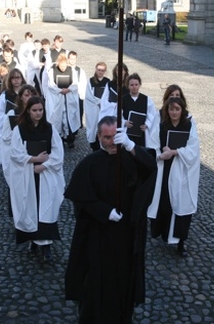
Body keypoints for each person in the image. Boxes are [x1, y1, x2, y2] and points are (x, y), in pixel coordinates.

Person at [65, 116, 157, 324]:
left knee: (124, 280)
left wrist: (131, 146)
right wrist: (104, 211)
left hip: (126, 233)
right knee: (98, 282)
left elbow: (151, 167)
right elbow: (80, 197)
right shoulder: (90, 163)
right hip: (99, 235)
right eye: (106, 137)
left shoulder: (131, 157)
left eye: (115, 137)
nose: (110, 141)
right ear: (98, 137)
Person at [10, 96, 65, 263]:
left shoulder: (49, 129)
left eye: (41, 110)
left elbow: (58, 153)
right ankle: (33, 240)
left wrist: (44, 166)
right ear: (28, 111)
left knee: (46, 208)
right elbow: (15, 153)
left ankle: (46, 245)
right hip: (27, 174)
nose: (38, 113)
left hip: (45, 175)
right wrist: (34, 160)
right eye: (34, 110)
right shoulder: (19, 130)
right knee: (30, 208)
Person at [147, 96, 200, 257]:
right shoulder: (162, 125)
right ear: (167, 110)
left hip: (182, 171)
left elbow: (193, 148)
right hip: (165, 169)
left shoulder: (189, 125)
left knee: (182, 206)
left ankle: (180, 242)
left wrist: (175, 152)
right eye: (171, 109)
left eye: (177, 109)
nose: (174, 112)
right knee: (165, 204)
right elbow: (152, 144)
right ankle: (164, 233)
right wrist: (160, 155)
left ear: (182, 110)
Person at [46, 54, 80, 148]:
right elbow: (51, 84)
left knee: (69, 119)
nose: (63, 68)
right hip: (58, 98)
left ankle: (70, 139)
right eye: (61, 66)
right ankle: (59, 139)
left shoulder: (71, 70)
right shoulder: (53, 71)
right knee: (58, 119)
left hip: (68, 98)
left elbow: (75, 83)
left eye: (64, 66)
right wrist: (60, 90)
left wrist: (68, 89)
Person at [122, 73, 159, 151]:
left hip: (142, 133)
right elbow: (117, 115)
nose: (134, 87)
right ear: (128, 86)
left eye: (136, 84)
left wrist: (147, 125)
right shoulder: (123, 99)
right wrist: (124, 122)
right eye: (132, 85)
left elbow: (152, 115)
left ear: (139, 85)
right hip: (127, 132)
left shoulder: (147, 99)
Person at [84, 62, 110, 151]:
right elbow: (88, 95)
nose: (100, 72)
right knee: (93, 126)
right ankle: (94, 145)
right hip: (93, 108)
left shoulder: (108, 81)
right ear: (96, 69)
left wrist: (103, 103)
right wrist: (98, 101)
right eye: (99, 70)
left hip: (104, 108)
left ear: (105, 71)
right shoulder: (91, 81)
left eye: (102, 70)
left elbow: (109, 95)